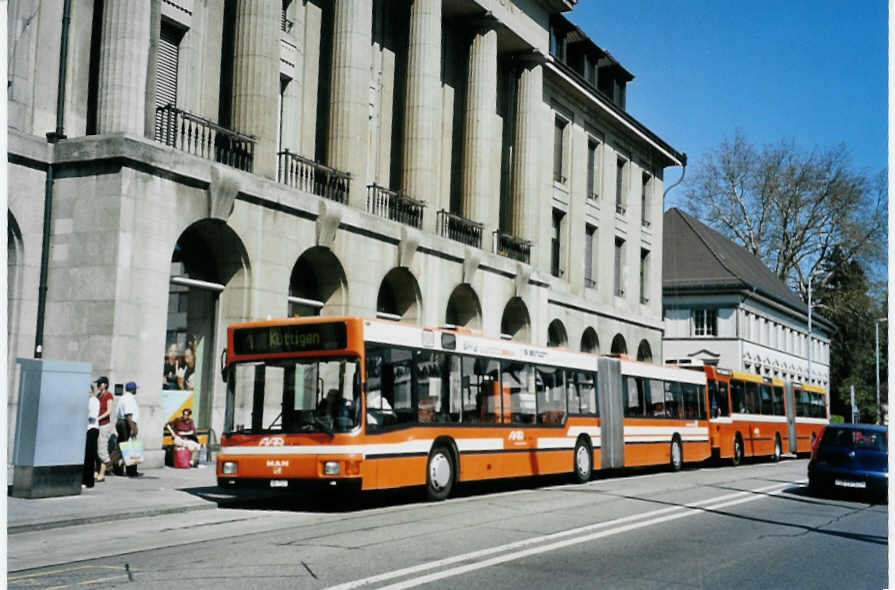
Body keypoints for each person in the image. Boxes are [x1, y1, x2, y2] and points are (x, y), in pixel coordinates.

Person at [116, 381, 142, 477]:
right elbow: (128, 414)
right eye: (135, 389)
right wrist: (132, 428)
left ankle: (118, 469)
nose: (136, 390)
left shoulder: (123, 398)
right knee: (130, 447)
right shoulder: (129, 398)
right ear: (133, 389)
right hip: (126, 423)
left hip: (122, 423)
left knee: (122, 446)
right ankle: (131, 471)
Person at [95, 376, 114, 481]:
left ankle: (108, 465)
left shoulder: (108, 395)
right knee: (98, 448)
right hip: (98, 425)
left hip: (104, 425)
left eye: (100, 383)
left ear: (105, 384)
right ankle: (100, 472)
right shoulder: (98, 395)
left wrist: (98, 418)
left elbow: (109, 411)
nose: (97, 386)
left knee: (102, 448)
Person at [83, 385, 100, 488]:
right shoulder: (87, 400)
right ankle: (85, 479)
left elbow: (93, 416)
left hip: (92, 429)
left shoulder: (94, 401)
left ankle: (88, 481)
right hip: (87, 429)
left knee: (89, 456)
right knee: (86, 456)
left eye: (89, 391)